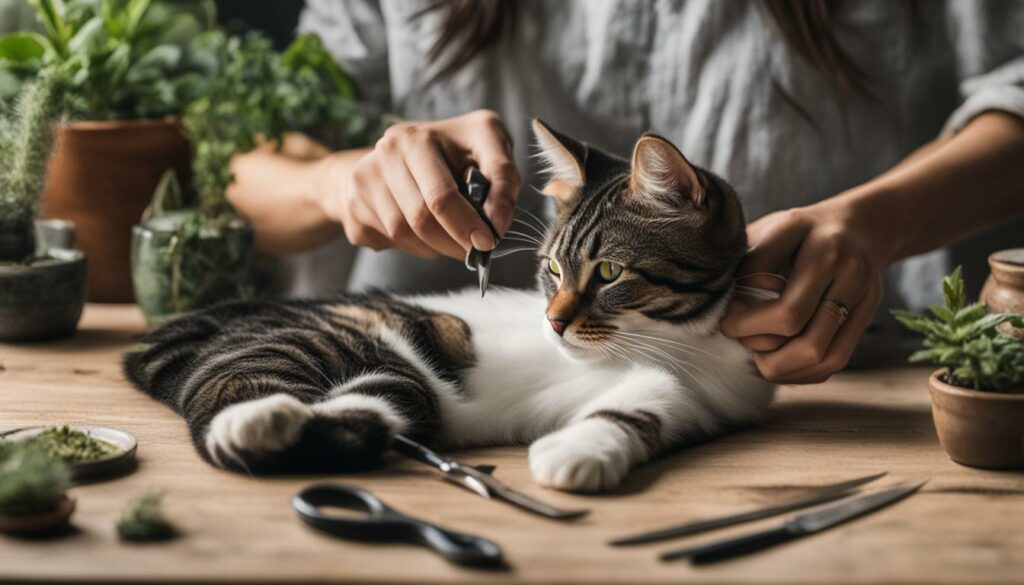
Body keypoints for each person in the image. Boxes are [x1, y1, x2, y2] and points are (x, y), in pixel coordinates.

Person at [227, 0, 1024, 384]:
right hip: (433, 379)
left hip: (822, 392)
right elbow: (246, 162)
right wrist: (338, 180)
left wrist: (876, 220)